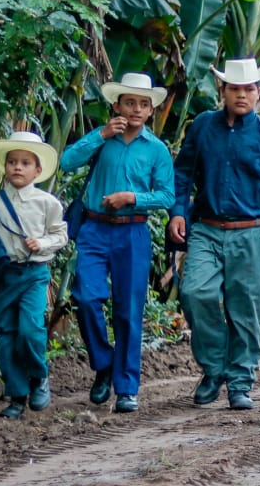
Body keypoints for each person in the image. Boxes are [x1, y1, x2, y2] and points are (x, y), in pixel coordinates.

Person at [168, 58, 260, 411]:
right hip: (207, 230)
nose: (242, 95)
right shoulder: (202, 127)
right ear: (223, 91)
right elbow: (182, 174)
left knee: (246, 309)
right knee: (195, 292)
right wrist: (177, 213)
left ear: (258, 92)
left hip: (254, 233)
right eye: (235, 88)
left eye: (249, 89)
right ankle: (214, 370)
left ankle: (241, 381)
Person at [59, 72, 175, 414]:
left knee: (128, 311)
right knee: (85, 296)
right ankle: (103, 364)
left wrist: (131, 197)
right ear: (117, 105)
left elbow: (167, 195)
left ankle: (126, 387)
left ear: (151, 110)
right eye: (129, 102)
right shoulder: (104, 138)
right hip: (94, 230)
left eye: (143, 104)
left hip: (133, 233)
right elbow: (66, 162)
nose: (136, 109)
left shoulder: (157, 150)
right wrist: (100, 133)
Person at [0, 131, 68, 420]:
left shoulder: (48, 203)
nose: (17, 167)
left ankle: (39, 376)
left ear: (38, 170)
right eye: (12, 162)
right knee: (7, 335)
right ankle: (16, 395)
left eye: (25, 162)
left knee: (31, 329)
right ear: (5, 167)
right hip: (5, 276)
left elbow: (60, 235)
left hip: (35, 274)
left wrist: (42, 243)